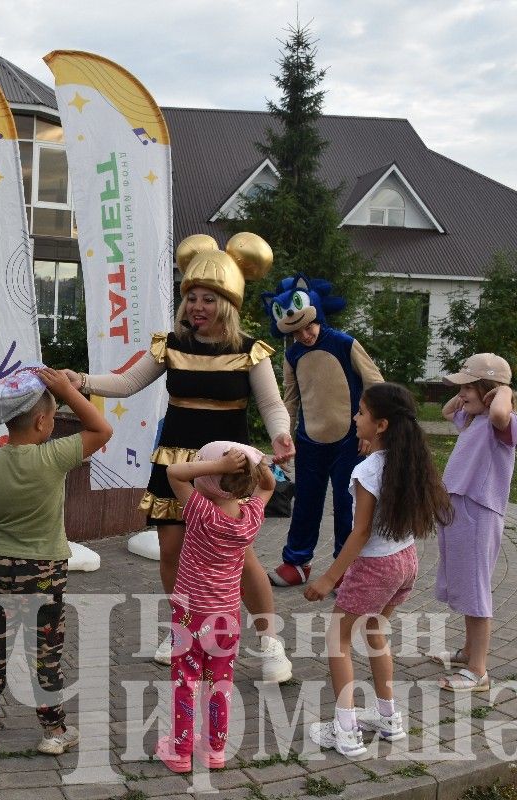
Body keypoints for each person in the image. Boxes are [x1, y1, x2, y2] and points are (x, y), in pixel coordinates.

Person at [64, 233, 296, 678]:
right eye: (192, 297)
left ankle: (269, 642)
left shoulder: (250, 350)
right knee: (172, 551)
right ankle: (185, 630)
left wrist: (281, 435)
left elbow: (270, 405)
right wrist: (81, 380)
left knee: (238, 554)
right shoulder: (170, 344)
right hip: (176, 466)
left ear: (226, 303)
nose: (197, 307)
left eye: (208, 299)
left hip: (227, 467)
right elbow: (128, 383)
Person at [0, 366, 113, 755]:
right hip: (44, 570)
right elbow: (102, 430)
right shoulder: (53, 457)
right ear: (43, 421)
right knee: (44, 652)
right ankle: (53, 732)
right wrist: (68, 388)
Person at [303, 383, 452, 756]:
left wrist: (328, 577)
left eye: (362, 413)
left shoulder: (367, 470)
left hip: (374, 568)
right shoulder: (406, 461)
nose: (356, 418)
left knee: (337, 642)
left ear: (381, 424)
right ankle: (388, 719)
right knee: (375, 634)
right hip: (405, 562)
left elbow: (362, 532)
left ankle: (347, 732)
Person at [155, 441, 275, 773]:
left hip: (191, 614)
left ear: (210, 477)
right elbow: (268, 484)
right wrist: (256, 461)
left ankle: (180, 752)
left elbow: (173, 472)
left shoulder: (200, 511)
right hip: (227, 616)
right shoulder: (249, 518)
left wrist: (218, 466)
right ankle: (215, 750)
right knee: (219, 680)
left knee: (185, 679)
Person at [260, 274, 384, 587]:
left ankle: (345, 568)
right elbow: (289, 400)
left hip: (349, 440)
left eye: (308, 326)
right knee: (305, 504)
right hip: (310, 441)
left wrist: (371, 434)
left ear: (317, 313)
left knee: (347, 506)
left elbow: (375, 384)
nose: (304, 334)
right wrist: (283, 435)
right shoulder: (292, 355)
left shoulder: (344, 344)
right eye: (296, 330)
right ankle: (297, 562)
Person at [433, 353, 517, 692]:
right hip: (458, 509)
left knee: (475, 589)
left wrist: (504, 392)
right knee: (464, 583)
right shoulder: (473, 420)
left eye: (470, 387)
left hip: (479, 513)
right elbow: (447, 411)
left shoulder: (505, 424)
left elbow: (499, 411)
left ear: (489, 390)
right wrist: (466, 391)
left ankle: (479, 671)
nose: (463, 394)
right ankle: (469, 652)